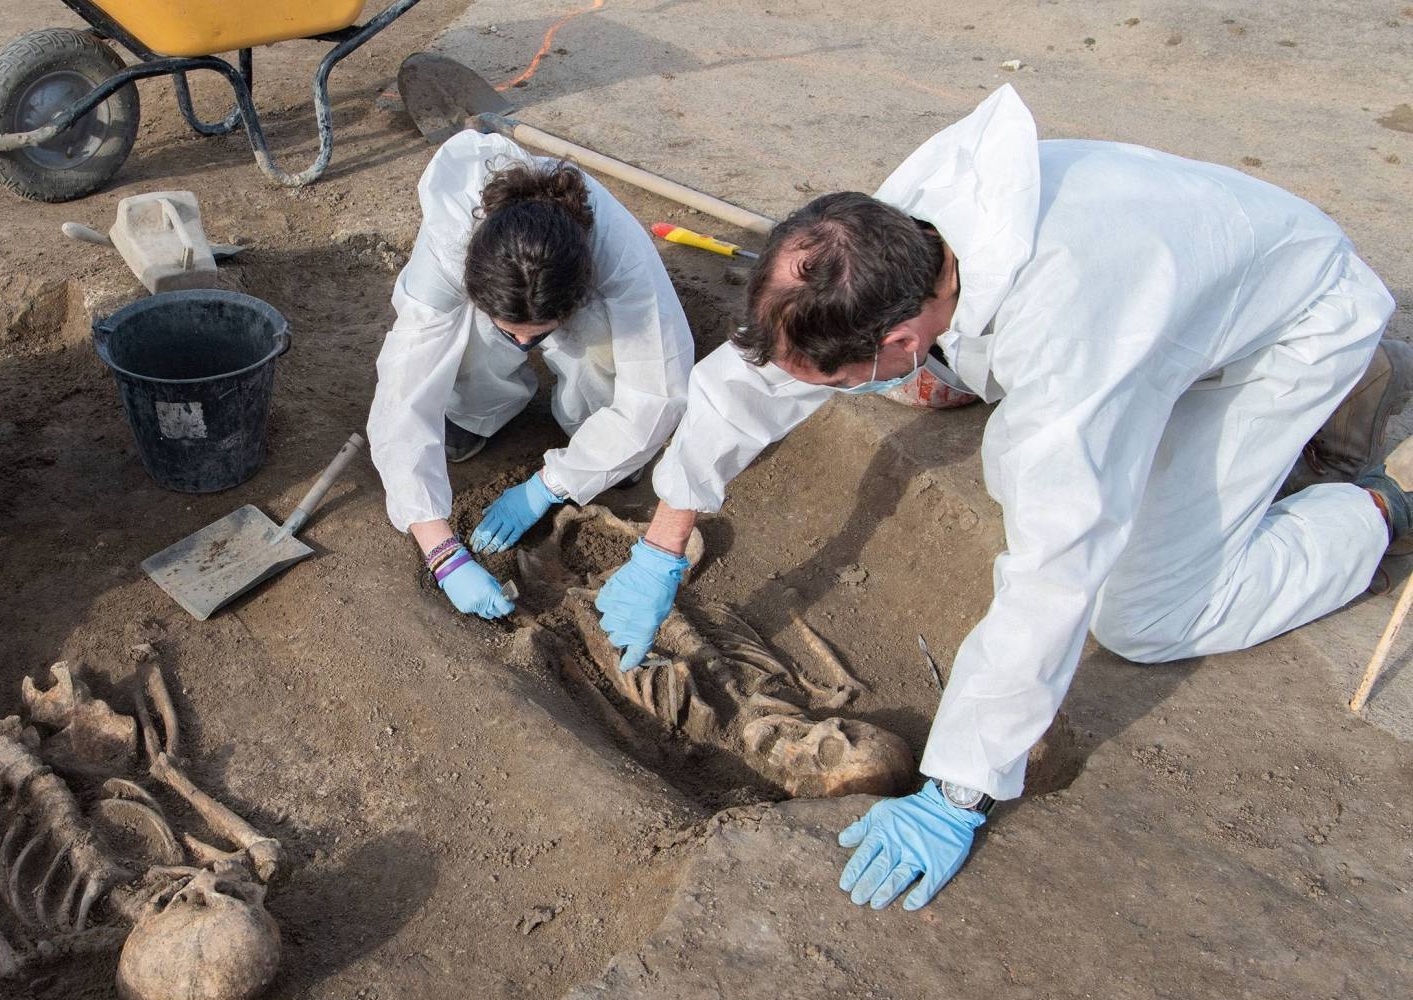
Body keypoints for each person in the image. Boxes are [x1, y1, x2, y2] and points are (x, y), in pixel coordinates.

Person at [594, 85, 1410, 911]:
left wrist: (959, 790)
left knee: (1145, 613)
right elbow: (759, 380)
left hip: (1289, 326)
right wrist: (663, 542)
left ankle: (1373, 506)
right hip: (1195, 276)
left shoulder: (1072, 343)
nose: (820, 390)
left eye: (846, 376)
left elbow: (1056, 562)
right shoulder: (885, 239)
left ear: (906, 340)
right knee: (961, 429)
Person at [368, 131, 694, 618]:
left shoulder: (620, 258)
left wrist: (549, 485)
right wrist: (441, 551)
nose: (526, 345)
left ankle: (596, 428)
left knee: (606, 342)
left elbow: (659, 390)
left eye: (536, 334)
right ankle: (476, 409)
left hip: (591, 302)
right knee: (465, 335)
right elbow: (402, 390)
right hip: (487, 289)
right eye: (514, 332)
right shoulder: (450, 247)